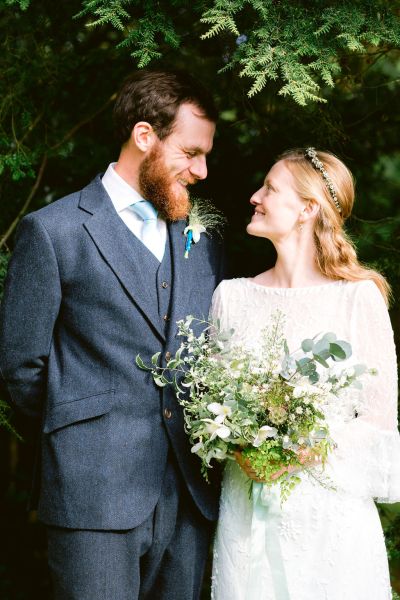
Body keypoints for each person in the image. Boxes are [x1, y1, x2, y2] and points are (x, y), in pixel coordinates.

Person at [0, 69, 224, 600]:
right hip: (91, 494)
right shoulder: (54, 231)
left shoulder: (203, 238)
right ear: (144, 136)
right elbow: (20, 368)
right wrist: (82, 434)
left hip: (190, 497)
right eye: (191, 153)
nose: (203, 170)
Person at [210, 148, 400, 600]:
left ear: (308, 208)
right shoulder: (230, 298)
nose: (255, 197)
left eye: (270, 188)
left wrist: (299, 449)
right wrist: (239, 442)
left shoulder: (358, 298)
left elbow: (377, 422)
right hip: (246, 511)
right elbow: (212, 402)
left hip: (330, 515)